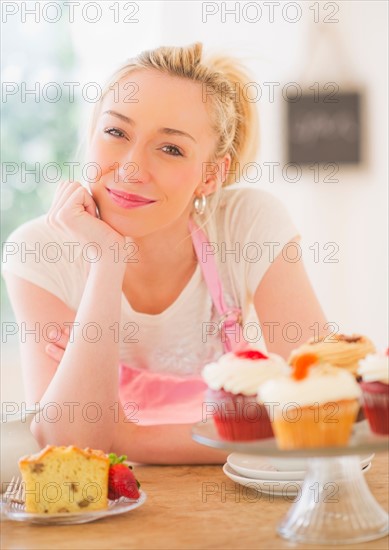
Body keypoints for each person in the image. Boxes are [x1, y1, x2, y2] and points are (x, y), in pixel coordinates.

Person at [2, 42, 327, 464]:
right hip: (109, 511)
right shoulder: (39, 251)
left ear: (211, 175)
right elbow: (70, 444)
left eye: (171, 148)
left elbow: (321, 406)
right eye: (116, 132)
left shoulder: (247, 223)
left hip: (233, 500)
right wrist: (107, 262)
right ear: (92, 132)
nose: (132, 168)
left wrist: (126, 437)